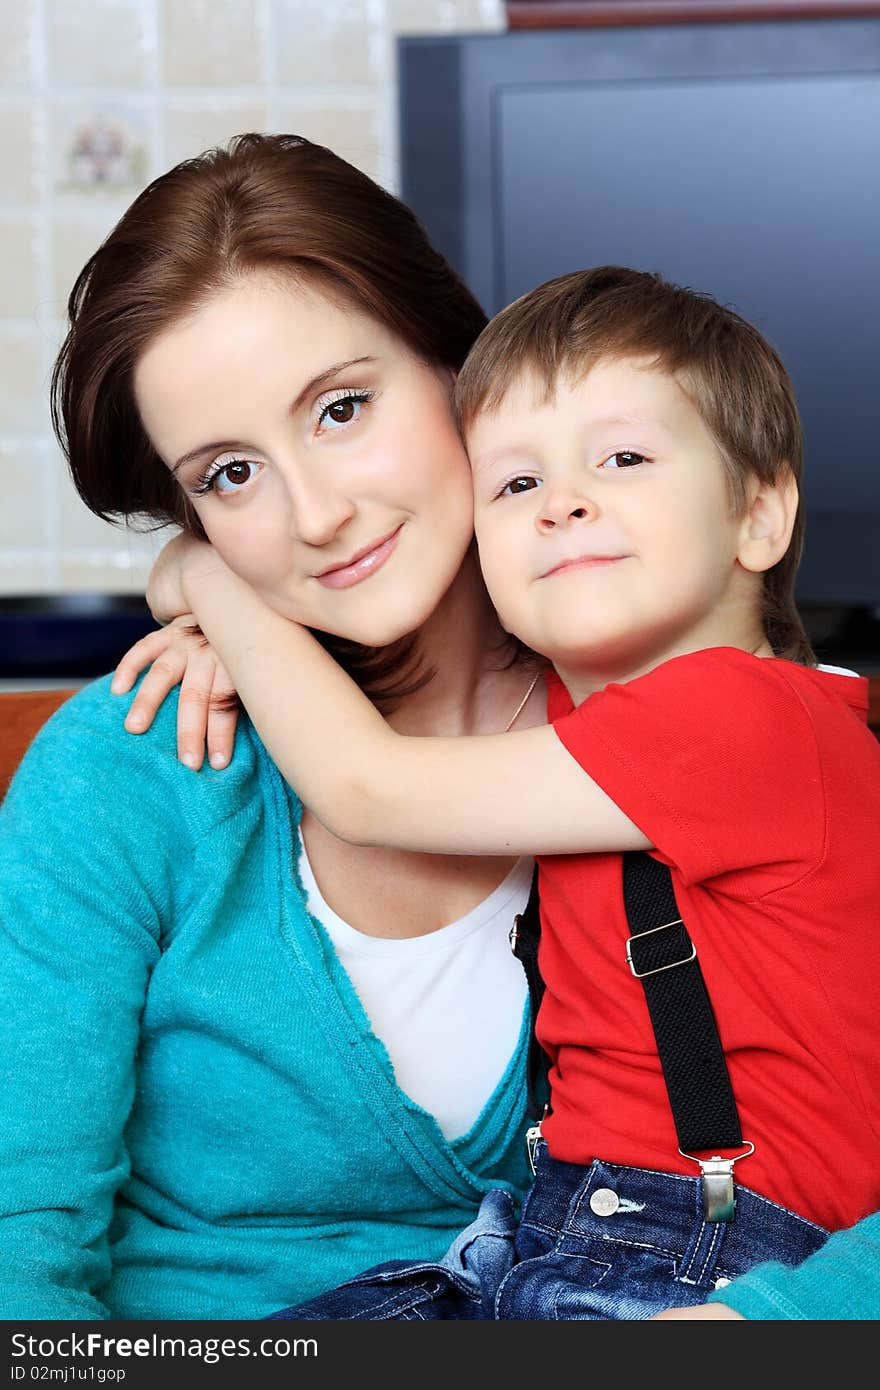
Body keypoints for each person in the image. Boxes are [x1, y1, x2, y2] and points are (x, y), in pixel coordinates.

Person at [131, 265, 880, 1320]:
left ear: (758, 516)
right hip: (550, 1240)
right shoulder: (585, 733)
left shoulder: (743, 720)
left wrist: (208, 577)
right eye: (515, 484)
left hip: (703, 1260)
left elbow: (364, 785)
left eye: (622, 458)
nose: (564, 499)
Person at [0, 132, 545, 1320]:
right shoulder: (130, 767)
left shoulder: (672, 736)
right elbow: (17, 1249)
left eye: (341, 407)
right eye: (228, 476)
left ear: (458, 355)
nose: (317, 512)